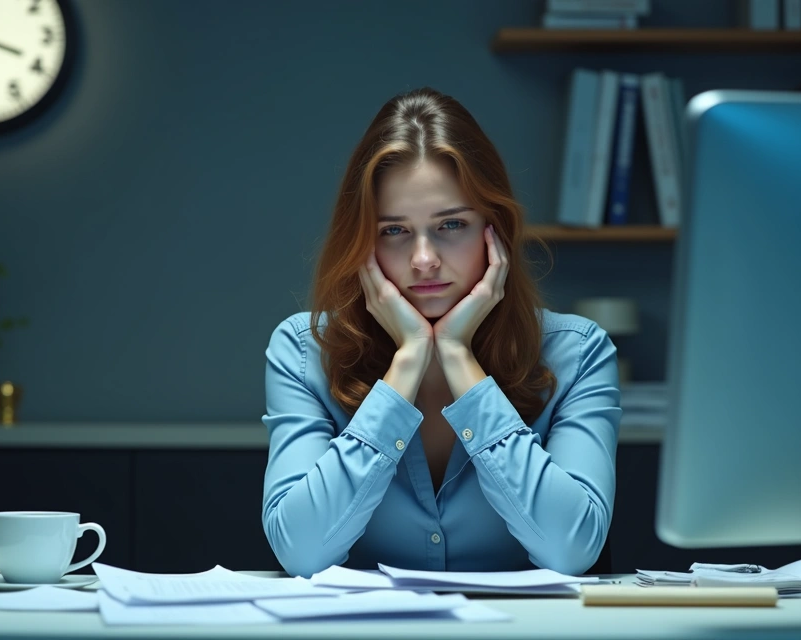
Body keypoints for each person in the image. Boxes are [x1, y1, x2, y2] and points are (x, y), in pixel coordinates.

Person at [261, 87, 622, 578]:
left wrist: (458, 357)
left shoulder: (577, 353)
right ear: (362, 241)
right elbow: (300, 552)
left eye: (451, 224)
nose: (424, 259)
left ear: (494, 229)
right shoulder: (305, 351)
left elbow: (572, 550)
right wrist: (408, 360)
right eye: (394, 230)